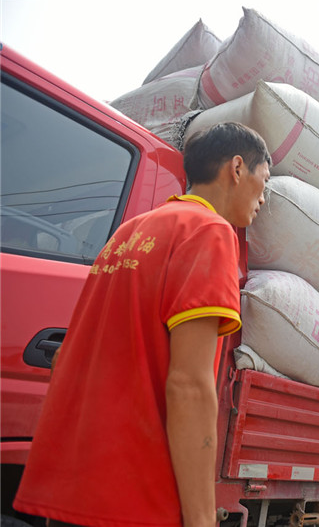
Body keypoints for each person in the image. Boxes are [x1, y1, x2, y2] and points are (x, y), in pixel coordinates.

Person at [13, 122, 272, 527]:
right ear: (238, 168)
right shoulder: (210, 232)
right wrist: (202, 518)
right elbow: (189, 385)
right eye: (265, 180)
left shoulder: (128, 232)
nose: (263, 199)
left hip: (74, 490)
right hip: (135, 495)